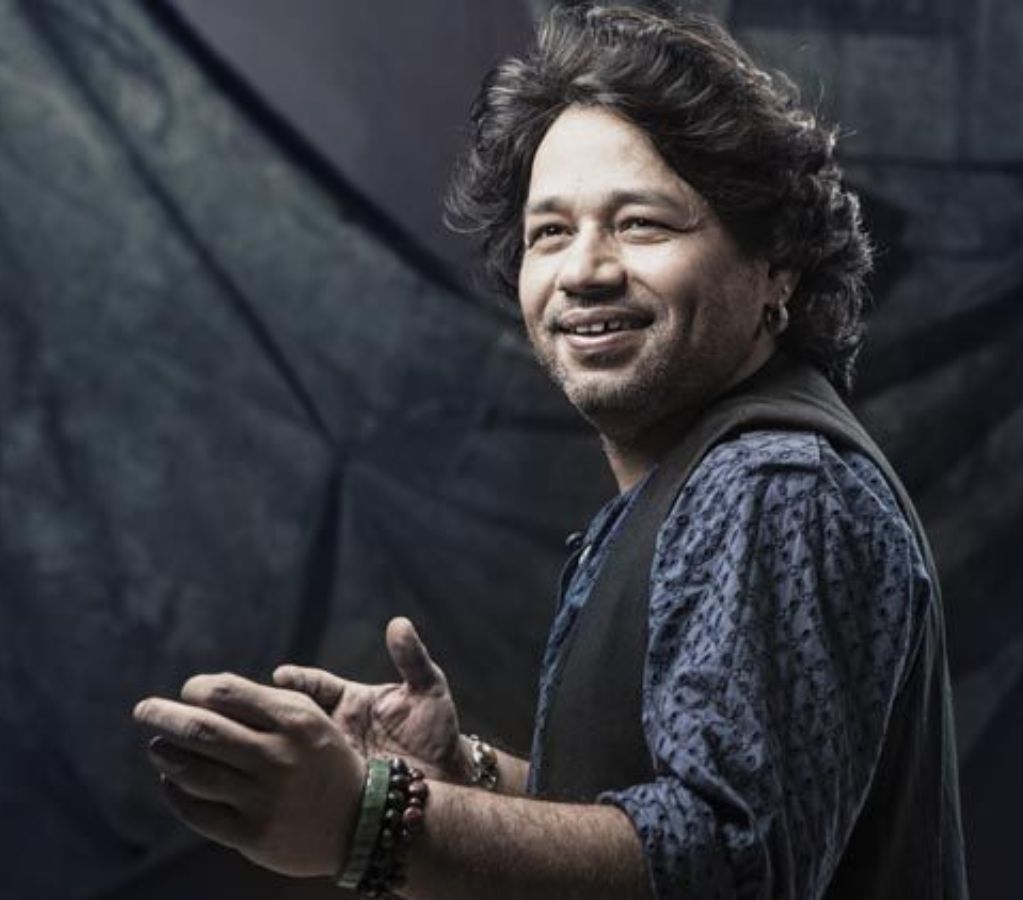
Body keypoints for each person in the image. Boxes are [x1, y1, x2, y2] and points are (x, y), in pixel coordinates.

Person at [133, 5, 968, 899]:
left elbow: (728, 867)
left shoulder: (771, 483)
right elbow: (670, 815)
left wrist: (370, 819)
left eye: (642, 223)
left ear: (776, 266)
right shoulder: (692, 486)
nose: (584, 271)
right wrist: (463, 776)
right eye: (550, 232)